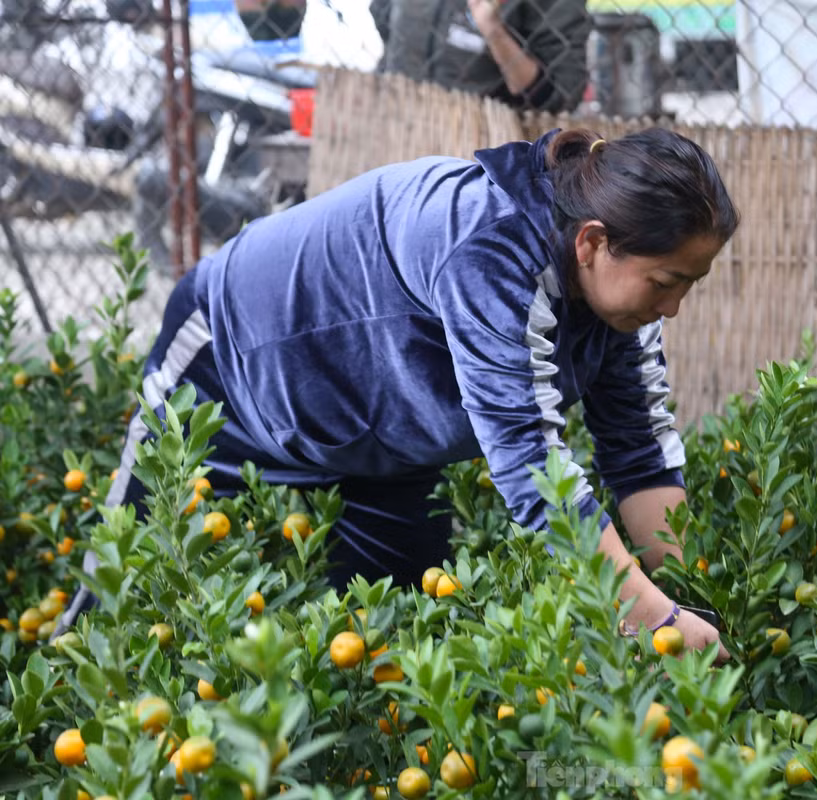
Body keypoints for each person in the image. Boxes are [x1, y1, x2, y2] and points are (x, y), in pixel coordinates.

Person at [57, 126, 738, 658]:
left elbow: (641, 455)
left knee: (393, 649)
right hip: (230, 367)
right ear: (593, 242)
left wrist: (685, 606)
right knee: (118, 597)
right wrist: (646, 614)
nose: (674, 307)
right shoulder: (492, 244)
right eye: (666, 281)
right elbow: (534, 468)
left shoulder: (622, 304)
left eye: (690, 283)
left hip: (382, 442)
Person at [370, 0, 592, 114]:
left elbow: (560, 94)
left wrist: (493, 30)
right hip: (396, 112)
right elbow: (382, 16)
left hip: (483, 141)